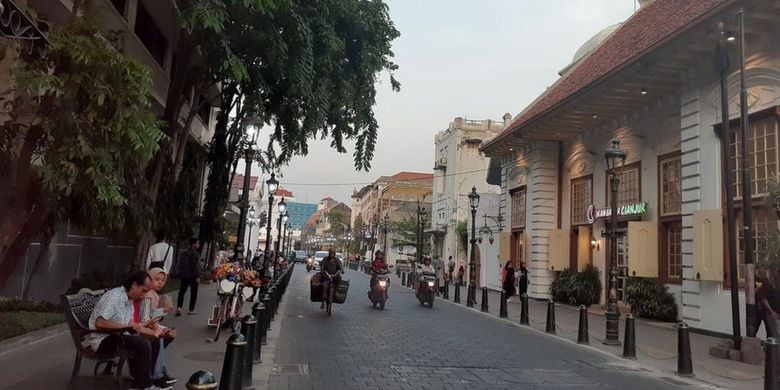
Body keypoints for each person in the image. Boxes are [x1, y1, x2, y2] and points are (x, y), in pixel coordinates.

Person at [87, 271, 167, 390]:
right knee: (142, 343)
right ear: (134, 285)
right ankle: (144, 385)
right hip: (102, 340)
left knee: (153, 340)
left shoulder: (128, 299)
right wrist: (124, 327)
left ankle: (143, 380)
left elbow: (131, 323)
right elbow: (100, 322)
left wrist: (153, 333)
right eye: (144, 291)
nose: (144, 295)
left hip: (117, 336)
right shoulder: (114, 297)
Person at [143, 269, 177, 388]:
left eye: (163, 280)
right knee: (162, 336)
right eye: (156, 280)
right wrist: (159, 329)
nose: (160, 283)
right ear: (149, 279)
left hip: (147, 324)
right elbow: (147, 317)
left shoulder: (154, 294)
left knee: (166, 333)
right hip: (143, 326)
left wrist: (164, 310)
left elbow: (151, 314)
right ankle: (157, 374)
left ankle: (160, 370)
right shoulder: (148, 294)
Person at [176, 238, 201, 316]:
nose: (198, 245)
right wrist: (197, 276)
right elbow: (195, 266)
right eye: (197, 243)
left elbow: (180, 264)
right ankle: (191, 309)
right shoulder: (195, 254)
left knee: (182, 292)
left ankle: (179, 307)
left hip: (184, 275)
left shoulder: (184, 253)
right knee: (193, 293)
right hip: (193, 276)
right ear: (193, 245)